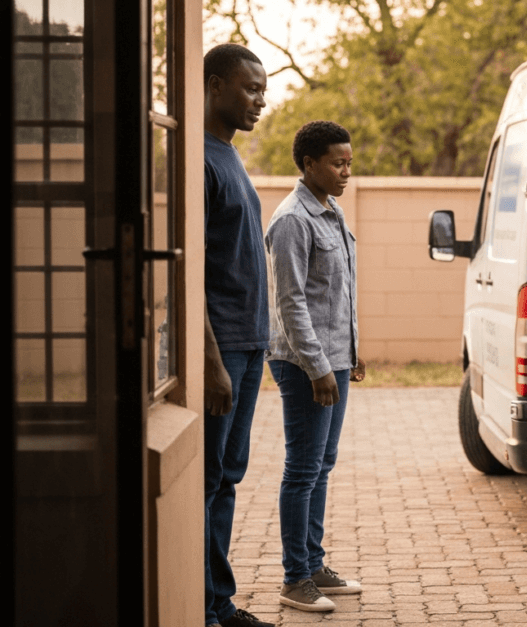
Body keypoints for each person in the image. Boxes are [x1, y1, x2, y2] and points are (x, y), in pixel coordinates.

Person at [265, 120, 366, 612]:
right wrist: (319, 367)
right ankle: (293, 578)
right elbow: (290, 302)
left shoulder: (332, 212)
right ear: (309, 164)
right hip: (306, 365)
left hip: (335, 360)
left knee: (321, 466)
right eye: (337, 162)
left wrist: (351, 348)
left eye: (349, 161)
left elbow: (338, 292)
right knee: (302, 470)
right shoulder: (291, 220)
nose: (346, 170)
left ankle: (313, 563)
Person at [202, 43, 275, 627]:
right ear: (215, 83)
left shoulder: (229, 156)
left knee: (227, 476)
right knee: (206, 479)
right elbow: (191, 272)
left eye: (264, 92)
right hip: (221, 346)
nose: (260, 102)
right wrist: (209, 360)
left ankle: (219, 603)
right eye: (250, 89)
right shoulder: (199, 161)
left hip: (250, 344)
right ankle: (201, 606)